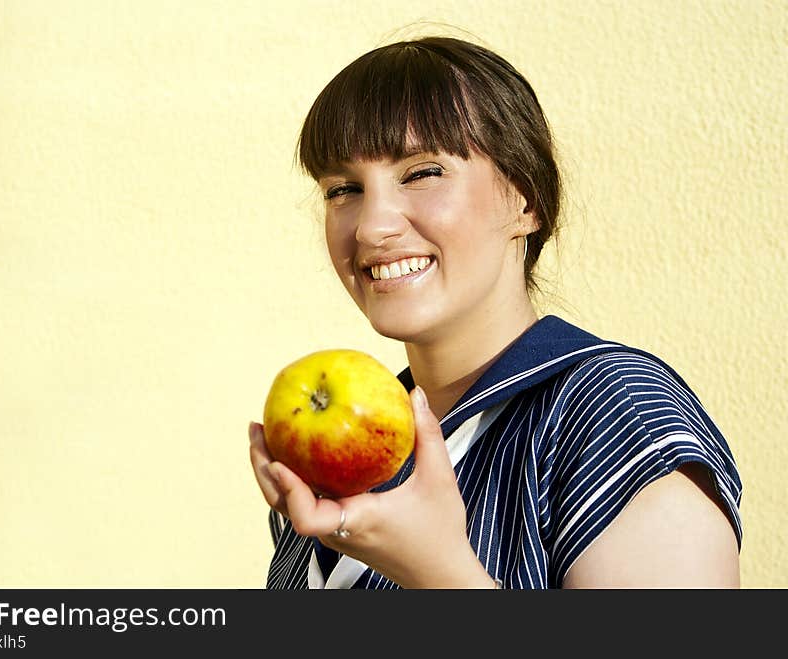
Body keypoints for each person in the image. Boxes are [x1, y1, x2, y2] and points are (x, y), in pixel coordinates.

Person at [248, 36, 742, 589]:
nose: (371, 226)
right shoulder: (329, 457)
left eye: (422, 172)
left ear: (525, 200)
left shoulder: (616, 415)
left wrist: (438, 574)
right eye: (343, 189)